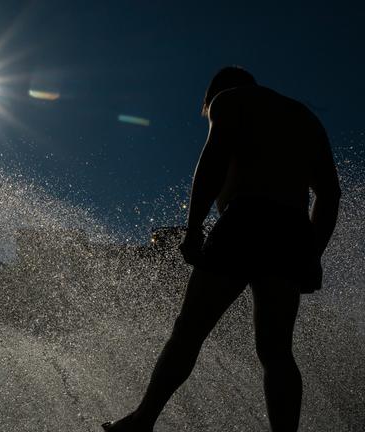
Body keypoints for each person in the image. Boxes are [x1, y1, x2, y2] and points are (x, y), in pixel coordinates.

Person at [102, 66, 341, 432]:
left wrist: (194, 228)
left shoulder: (229, 100)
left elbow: (214, 159)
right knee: (276, 351)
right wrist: (313, 254)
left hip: (245, 222)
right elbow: (329, 193)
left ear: (214, 93)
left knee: (189, 331)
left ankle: (142, 420)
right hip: (291, 232)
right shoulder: (303, 116)